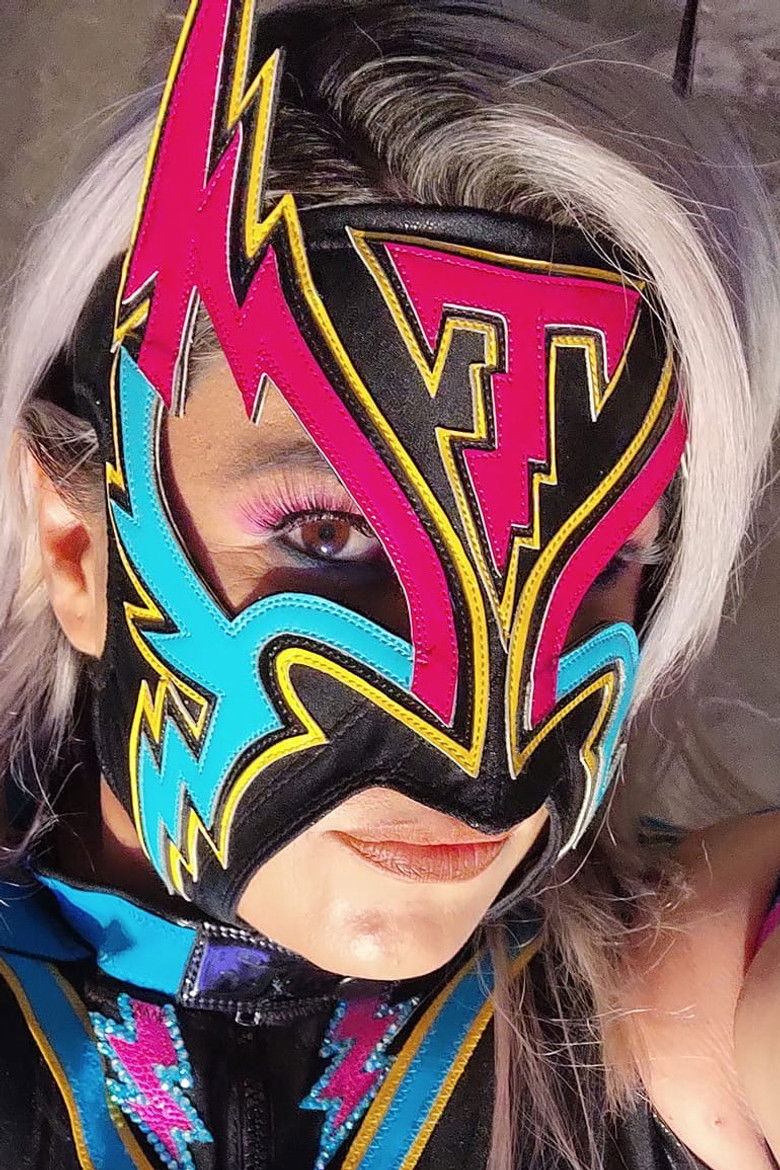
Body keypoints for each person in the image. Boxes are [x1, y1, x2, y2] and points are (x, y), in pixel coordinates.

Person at [0, 1, 778, 1168]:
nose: (483, 759)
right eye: (325, 534)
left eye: (605, 559)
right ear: (77, 544)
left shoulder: (670, 1006)